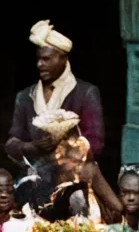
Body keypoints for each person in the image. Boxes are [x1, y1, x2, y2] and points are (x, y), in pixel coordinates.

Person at [6, 20, 104, 165]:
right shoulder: (25, 96)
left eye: (46, 59)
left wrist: (65, 148)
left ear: (64, 59)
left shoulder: (85, 93)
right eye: (38, 59)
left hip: (74, 174)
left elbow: (96, 141)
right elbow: (12, 141)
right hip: (35, 175)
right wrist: (30, 147)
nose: (40, 64)